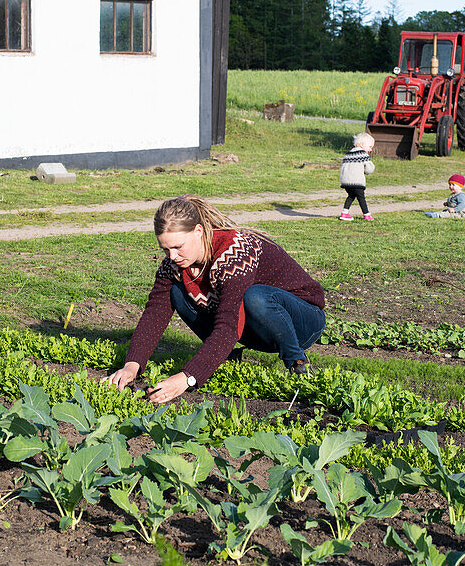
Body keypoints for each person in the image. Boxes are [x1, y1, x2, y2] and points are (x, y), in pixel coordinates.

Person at [104, 196, 326, 404]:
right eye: (165, 249)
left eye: (178, 247)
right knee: (177, 293)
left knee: (255, 297)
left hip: (301, 322)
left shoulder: (235, 253)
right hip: (255, 328)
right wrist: (131, 366)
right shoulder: (174, 265)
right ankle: (224, 357)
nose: (172, 256)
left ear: (198, 231)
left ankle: (297, 363)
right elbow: (154, 314)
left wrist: (188, 377)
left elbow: (228, 325)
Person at [339, 132, 376, 221]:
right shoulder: (363, 155)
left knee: (351, 196)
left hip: (345, 181)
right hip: (356, 182)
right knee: (361, 198)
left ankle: (344, 213)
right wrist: (371, 166)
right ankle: (367, 215)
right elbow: (369, 169)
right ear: (362, 144)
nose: (370, 150)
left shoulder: (347, 154)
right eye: (370, 147)